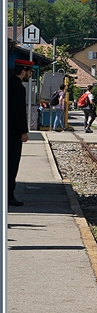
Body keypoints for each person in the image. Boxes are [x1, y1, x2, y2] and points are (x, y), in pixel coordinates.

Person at [8, 58, 34, 207]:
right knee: (12, 164)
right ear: (23, 71)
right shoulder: (18, 87)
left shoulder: (6, 84)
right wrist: (23, 131)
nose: (30, 76)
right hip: (13, 133)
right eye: (29, 72)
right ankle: (9, 195)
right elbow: (19, 112)